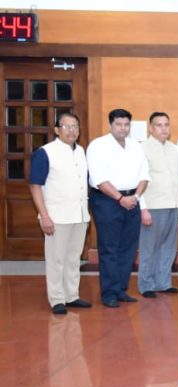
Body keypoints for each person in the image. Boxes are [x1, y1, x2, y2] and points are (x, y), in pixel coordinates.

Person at [28, 112, 93, 314]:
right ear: (57, 130)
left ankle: (71, 295)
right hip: (57, 216)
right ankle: (57, 299)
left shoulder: (81, 151)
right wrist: (44, 216)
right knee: (56, 259)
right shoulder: (45, 152)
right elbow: (35, 186)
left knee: (73, 258)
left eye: (75, 126)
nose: (72, 130)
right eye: (66, 126)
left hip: (80, 215)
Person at [87, 108, 149, 308]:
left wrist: (135, 197)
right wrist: (120, 198)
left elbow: (144, 175)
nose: (123, 128)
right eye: (118, 124)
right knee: (109, 248)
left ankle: (121, 289)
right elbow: (99, 179)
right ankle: (109, 293)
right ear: (110, 125)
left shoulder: (135, 146)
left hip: (132, 199)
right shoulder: (98, 146)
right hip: (107, 201)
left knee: (128, 248)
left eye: (126, 124)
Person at [138, 111, 178, 298]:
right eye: (159, 125)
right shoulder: (142, 149)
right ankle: (146, 285)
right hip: (153, 205)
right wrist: (143, 208)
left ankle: (163, 283)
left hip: (173, 204)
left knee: (169, 247)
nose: (164, 128)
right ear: (151, 128)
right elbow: (139, 180)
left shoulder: (175, 149)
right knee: (150, 247)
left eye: (166, 125)